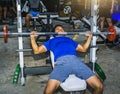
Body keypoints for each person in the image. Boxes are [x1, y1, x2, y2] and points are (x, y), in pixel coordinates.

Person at [30, 25, 104, 94]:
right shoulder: (51, 41)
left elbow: (83, 49)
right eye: (58, 29)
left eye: (62, 28)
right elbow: (37, 51)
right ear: (54, 33)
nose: (60, 29)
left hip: (76, 62)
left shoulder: (70, 40)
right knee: (47, 92)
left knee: (99, 87)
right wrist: (32, 38)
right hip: (61, 64)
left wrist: (89, 37)